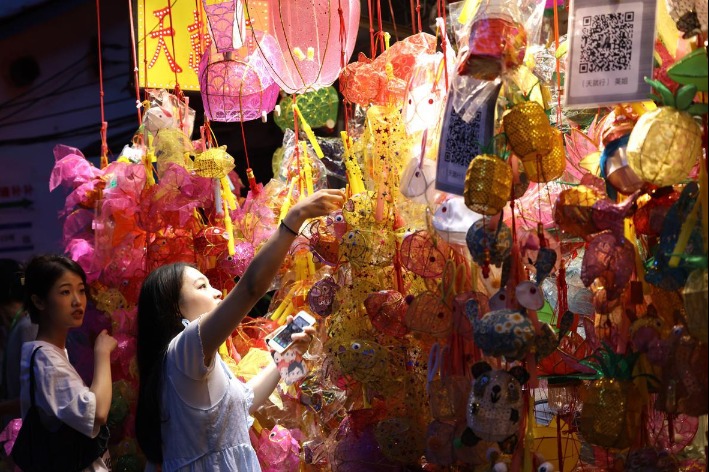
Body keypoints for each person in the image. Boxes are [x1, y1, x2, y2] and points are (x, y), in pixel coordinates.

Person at [136, 188, 345, 471]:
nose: (218, 292)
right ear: (175, 310)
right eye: (202, 286)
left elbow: (246, 403)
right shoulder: (182, 350)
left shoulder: (195, 362)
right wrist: (294, 219)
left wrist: (288, 355)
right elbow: (251, 289)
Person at [19, 254, 117, 471]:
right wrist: (101, 353)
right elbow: (97, 413)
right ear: (38, 301)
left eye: (81, 290)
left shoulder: (51, 353)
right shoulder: (46, 360)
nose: (77, 301)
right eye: (65, 292)